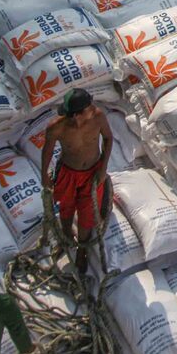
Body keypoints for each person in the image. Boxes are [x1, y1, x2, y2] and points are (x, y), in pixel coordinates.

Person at [41, 88, 112, 278]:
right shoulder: (56, 127)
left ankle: (82, 251)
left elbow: (108, 138)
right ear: (77, 114)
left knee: (86, 213)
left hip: (92, 173)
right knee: (66, 207)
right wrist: (44, 176)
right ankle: (65, 236)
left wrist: (103, 167)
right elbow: (47, 151)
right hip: (68, 173)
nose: (93, 107)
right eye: (88, 106)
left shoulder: (98, 117)